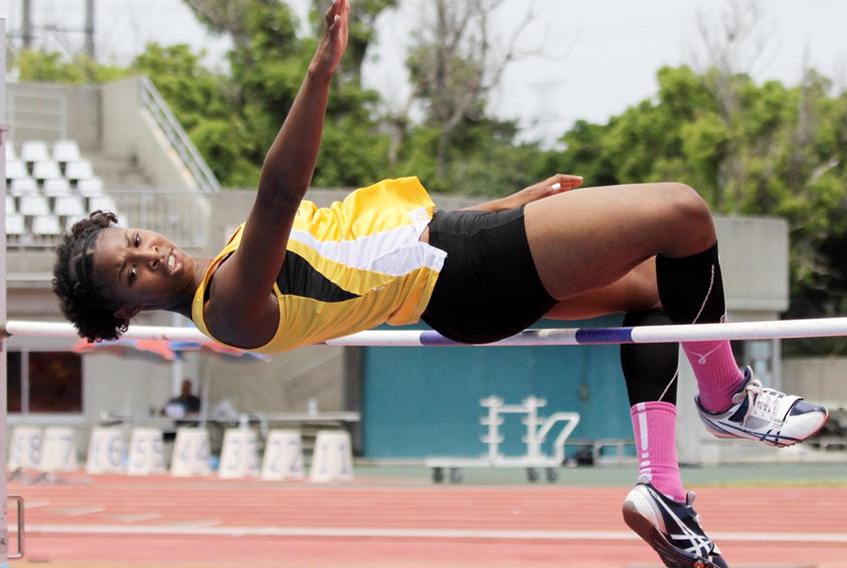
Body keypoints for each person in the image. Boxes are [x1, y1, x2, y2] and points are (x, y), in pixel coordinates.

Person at [51, 1, 827, 566]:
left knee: (659, 292)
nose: (148, 253)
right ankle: (727, 398)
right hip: (464, 271)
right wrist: (320, 75)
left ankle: (663, 489)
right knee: (684, 214)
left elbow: (389, 246)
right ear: (126, 309)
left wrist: (509, 207)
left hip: (456, 266)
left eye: (135, 240)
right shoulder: (228, 305)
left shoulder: (224, 266)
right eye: (130, 272)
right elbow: (281, 192)